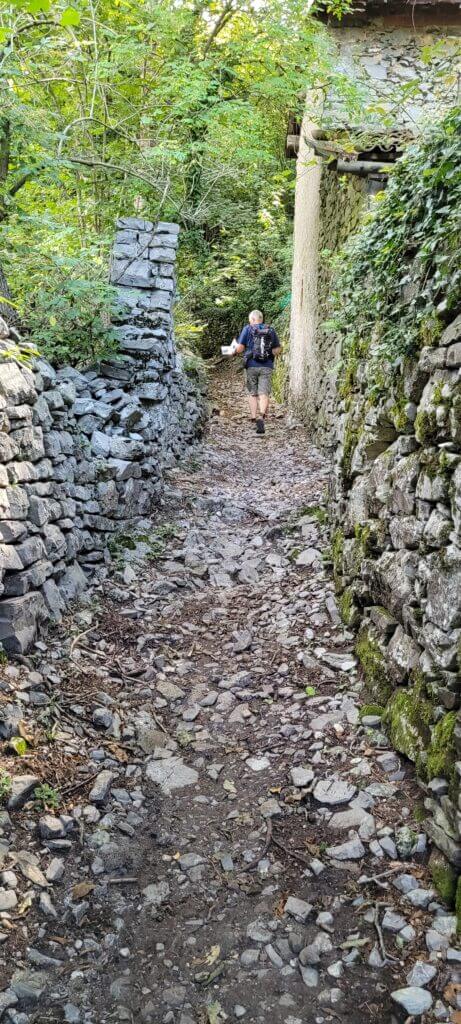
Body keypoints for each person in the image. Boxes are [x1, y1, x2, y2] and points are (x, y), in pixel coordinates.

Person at [232, 310, 282, 434]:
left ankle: (253, 417)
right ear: (261, 318)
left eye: (250, 320)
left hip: (251, 365)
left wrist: (233, 348)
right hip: (267, 366)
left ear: (252, 319)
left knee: (252, 393)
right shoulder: (270, 330)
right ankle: (261, 416)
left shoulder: (247, 329)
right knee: (264, 393)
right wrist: (274, 352)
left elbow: (240, 349)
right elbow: (277, 349)